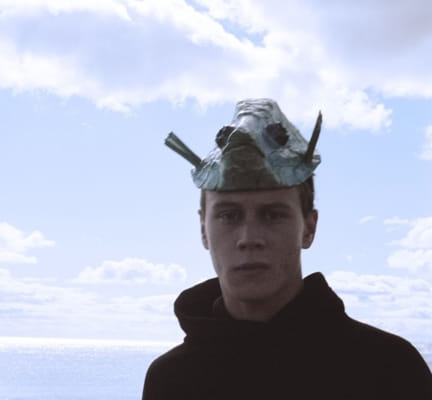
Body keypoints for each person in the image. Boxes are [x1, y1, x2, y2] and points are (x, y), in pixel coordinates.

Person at [142, 99, 432, 400]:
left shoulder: (389, 369)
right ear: (204, 229)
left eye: (272, 215)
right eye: (229, 215)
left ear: (309, 227)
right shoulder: (171, 380)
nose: (249, 238)